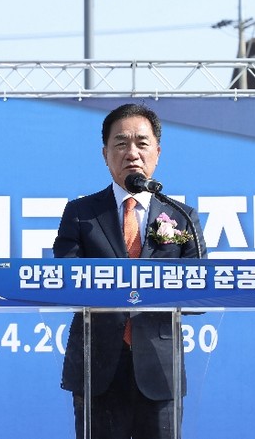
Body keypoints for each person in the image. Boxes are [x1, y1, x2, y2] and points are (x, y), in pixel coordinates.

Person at [53, 103, 207, 439]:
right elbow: (66, 281)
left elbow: (200, 293)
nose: (132, 153)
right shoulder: (80, 213)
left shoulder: (181, 216)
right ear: (105, 154)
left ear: (157, 153)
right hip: (96, 368)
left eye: (142, 143)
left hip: (160, 369)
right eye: (121, 143)